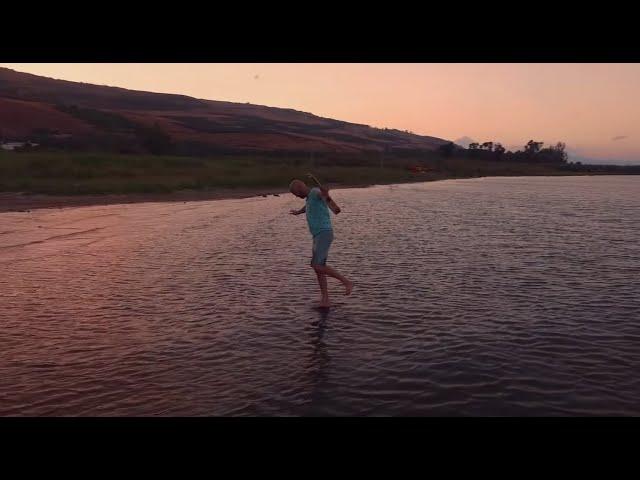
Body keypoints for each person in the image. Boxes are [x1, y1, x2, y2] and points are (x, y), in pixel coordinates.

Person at [289, 179, 353, 308]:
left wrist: (325, 194)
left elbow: (322, 197)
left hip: (324, 233)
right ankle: (325, 300)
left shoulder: (315, 192)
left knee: (317, 266)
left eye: (296, 193)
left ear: (300, 187)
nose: (297, 196)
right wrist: (298, 212)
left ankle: (346, 282)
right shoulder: (309, 198)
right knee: (319, 269)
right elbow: (308, 207)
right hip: (317, 235)